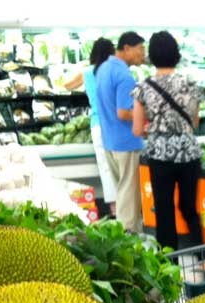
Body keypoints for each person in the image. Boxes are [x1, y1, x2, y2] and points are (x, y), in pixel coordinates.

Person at [132, 31, 204, 251]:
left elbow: (136, 129)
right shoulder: (190, 83)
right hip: (189, 154)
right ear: (176, 54)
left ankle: (169, 265)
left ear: (151, 57)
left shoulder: (143, 88)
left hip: (160, 155)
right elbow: (195, 122)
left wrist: (155, 130)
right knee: (189, 208)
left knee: (164, 210)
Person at [95, 31, 146, 234]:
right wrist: (147, 115)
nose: (143, 54)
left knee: (121, 190)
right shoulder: (124, 74)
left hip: (109, 140)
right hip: (126, 141)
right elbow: (124, 112)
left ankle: (128, 231)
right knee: (129, 192)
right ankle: (128, 235)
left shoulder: (103, 68)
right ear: (127, 48)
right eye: (140, 48)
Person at [65, 38, 118, 217]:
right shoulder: (114, 71)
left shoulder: (87, 72)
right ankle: (126, 208)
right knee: (122, 168)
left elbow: (67, 85)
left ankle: (113, 209)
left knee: (105, 168)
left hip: (98, 125)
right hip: (117, 124)